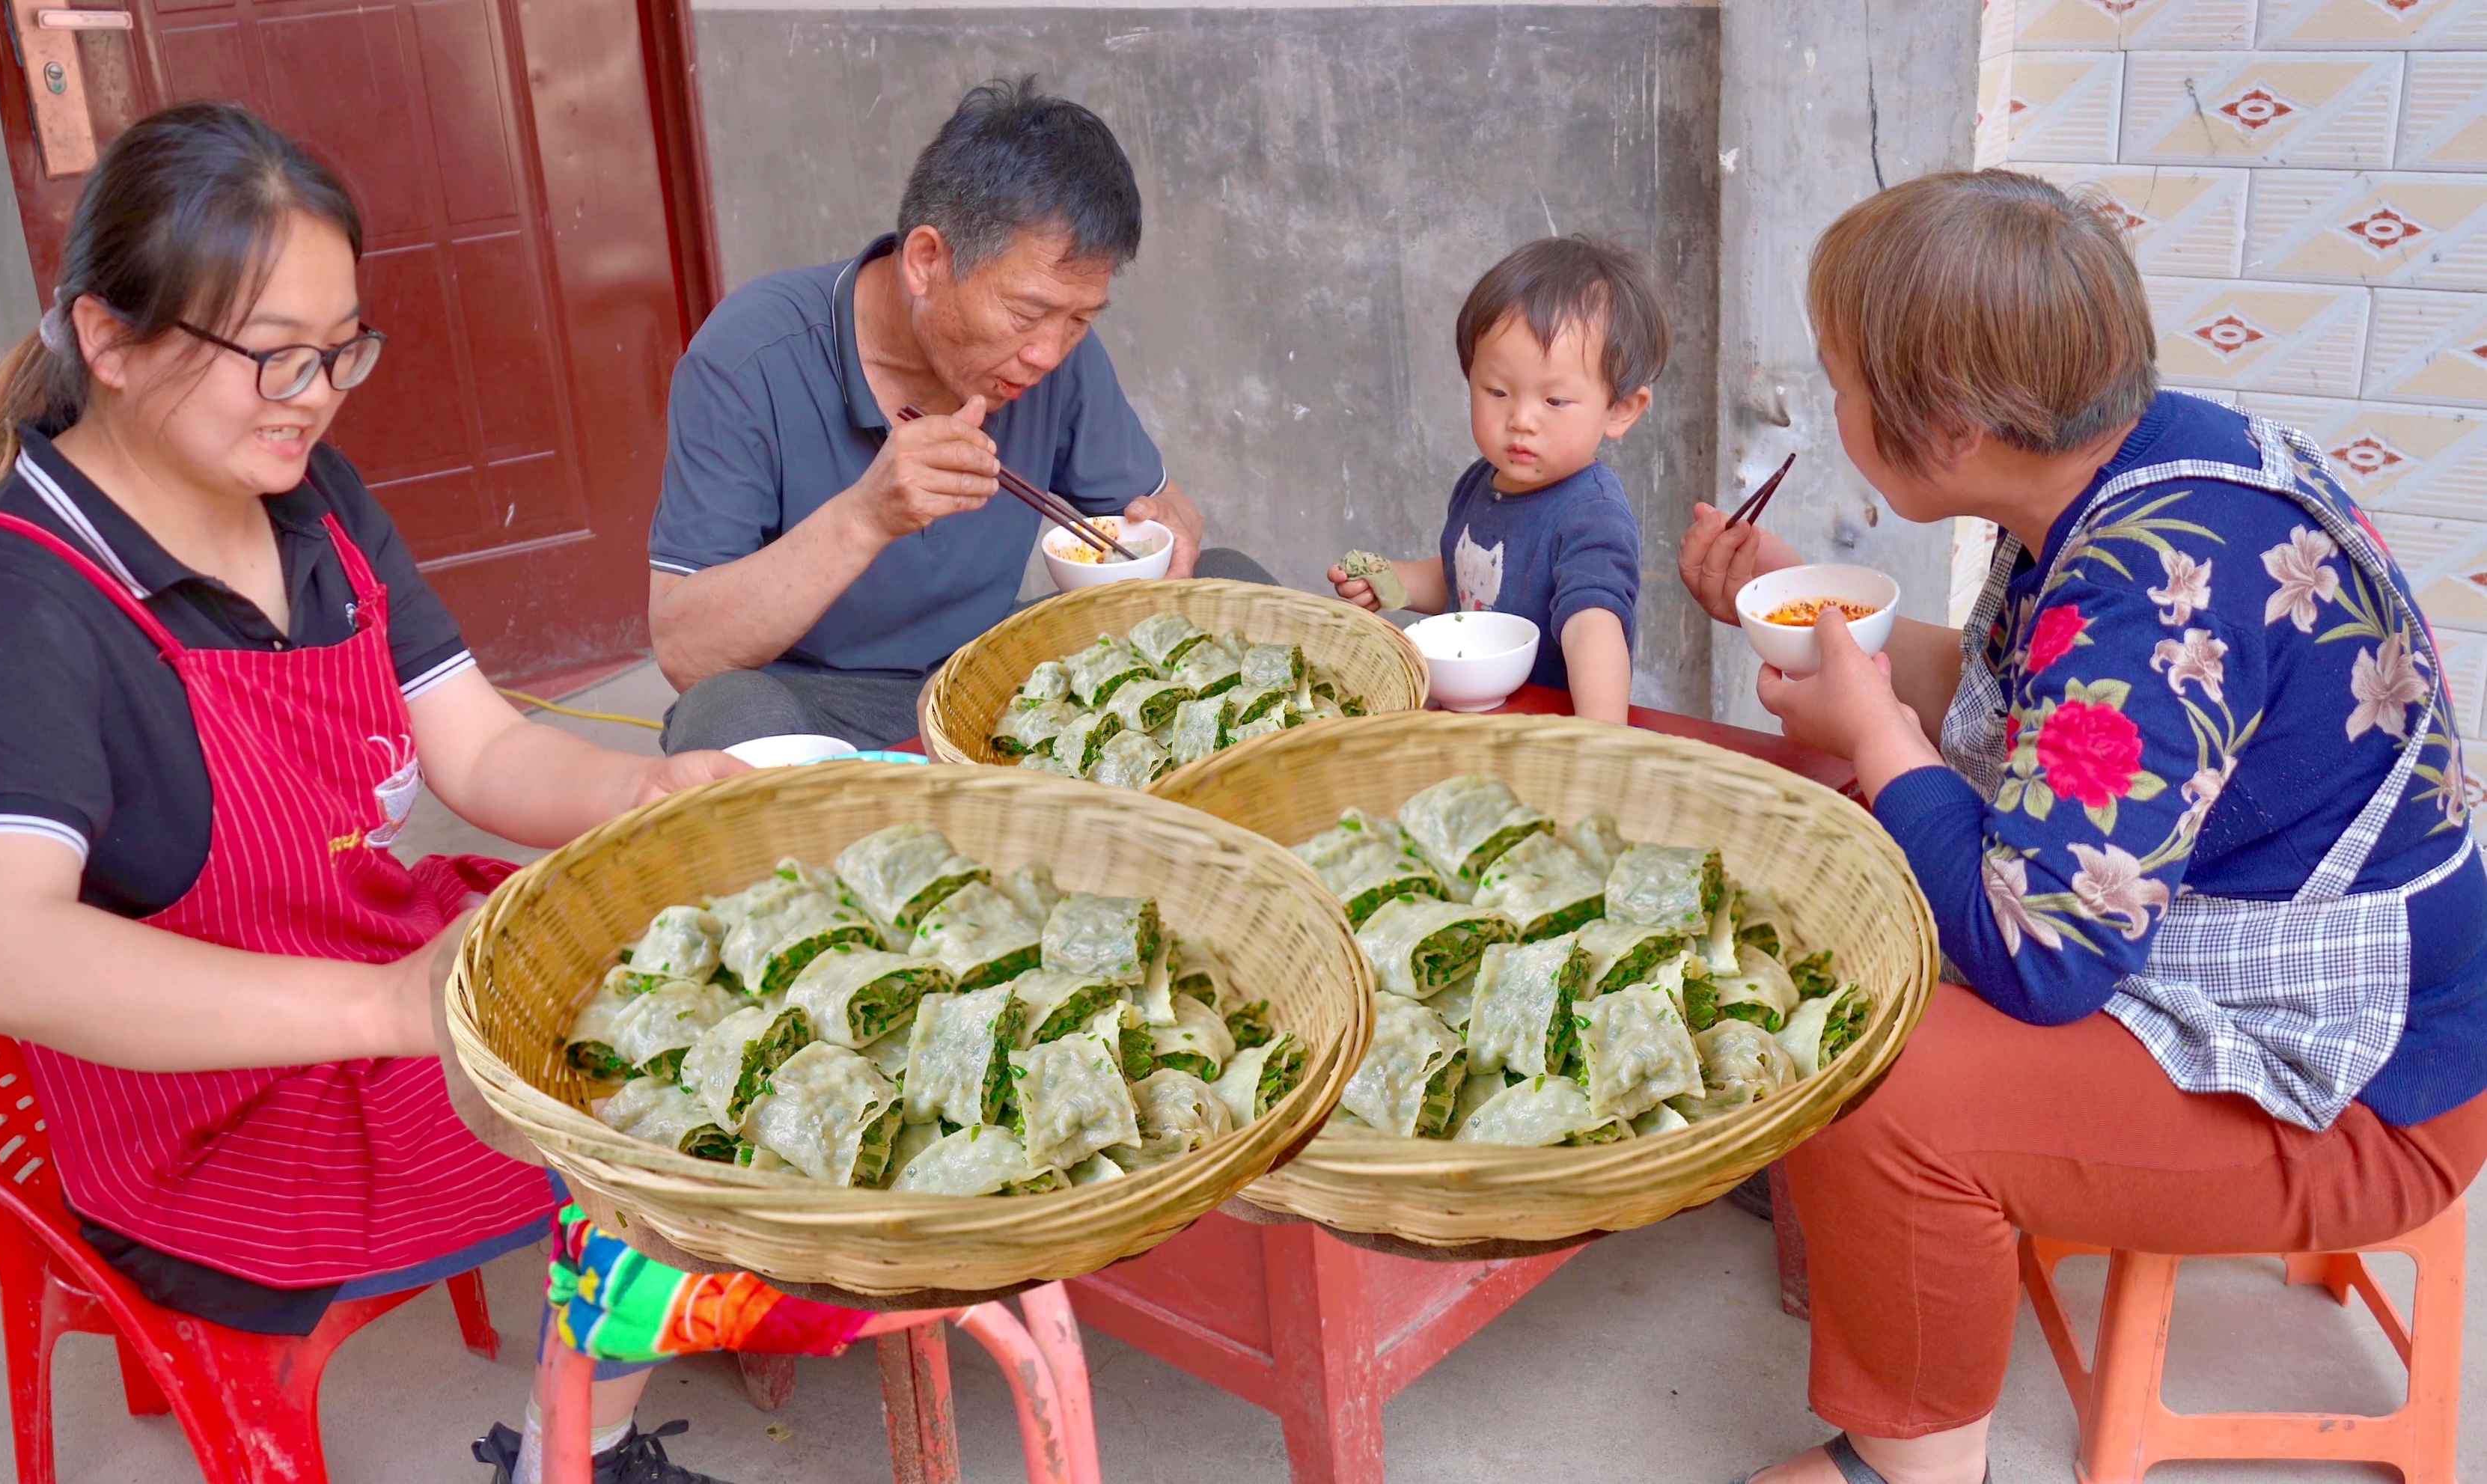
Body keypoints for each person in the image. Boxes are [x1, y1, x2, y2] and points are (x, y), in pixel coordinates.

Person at [0, 104, 750, 1484]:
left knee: (713, 980)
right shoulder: (7, 596)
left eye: (340, 347)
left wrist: (656, 785)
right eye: (271, 356)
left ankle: (591, 1419)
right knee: (673, 1095)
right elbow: (1, 955)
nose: (316, 392)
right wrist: (390, 1005)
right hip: (211, 1116)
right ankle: (568, 1459)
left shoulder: (315, 501)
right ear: (109, 341)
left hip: (366, 971)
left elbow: (476, 752)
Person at [1677, 170, 2487, 1484]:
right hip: (2240, 946)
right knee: (1837, 862)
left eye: (1839, 376)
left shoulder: (2151, 593)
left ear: (1945, 424)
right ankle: (1884, 1235)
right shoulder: (2144, 466)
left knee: (1873, 1069)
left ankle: (1914, 1461)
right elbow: (2043, 707)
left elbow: (2039, 956)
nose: (1828, 406)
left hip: (2359, 1086)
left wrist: (1876, 732)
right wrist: (1810, 619)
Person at [647, 77, 1273, 754]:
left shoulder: (1058, 355)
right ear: (925, 261)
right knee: (724, 716)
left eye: (1081, 319)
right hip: (828, 704)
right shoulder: (749, 357)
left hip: (997, 669)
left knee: (1227, 577)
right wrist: (868, 515)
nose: (1046, 352)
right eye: (1027, 313)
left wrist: (1169, 537)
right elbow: (687, 648)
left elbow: (1160, 515)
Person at [1328, 236, 1661, 723]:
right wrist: (1391, 582)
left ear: (1620, 410)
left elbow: (1594, 629)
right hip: (1471, 717)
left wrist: (1599, 742)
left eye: (1555, 401)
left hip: (1543, 728)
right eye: (1498, 391)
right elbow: (1461, 579)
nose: (1522, 419)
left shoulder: (1592, 515)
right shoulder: (1480, 483)